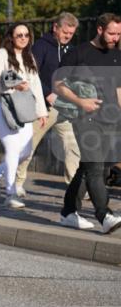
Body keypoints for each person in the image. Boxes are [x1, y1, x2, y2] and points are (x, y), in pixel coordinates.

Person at [55, 13, 121, 233]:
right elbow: (58, 85)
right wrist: (80, 101)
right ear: (100, 30)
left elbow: (119, 91)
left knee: (93, 168)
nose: (115, 37)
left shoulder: (117, 56)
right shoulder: (79, 53)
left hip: (110, 119)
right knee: (94, 168)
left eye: (119, 34)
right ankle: (105, 215)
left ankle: (67, 212)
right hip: (85, 118)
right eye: (112, 33)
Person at [14, 12, 82, 197]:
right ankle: (17, 182)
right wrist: (47, 94)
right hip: (42, 107)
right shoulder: (41, 47)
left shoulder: (70, 49)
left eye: (71, 33)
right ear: (55, 27)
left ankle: (74, 188)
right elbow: (30, 75)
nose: (68, 36)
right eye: (65, 32)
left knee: (72, 145)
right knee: (29, 145)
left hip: (63, 106)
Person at [0, 23, 48, 209]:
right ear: (11, 37)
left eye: (27, 35)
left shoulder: (29, 57)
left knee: (25, 151)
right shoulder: (2, 54)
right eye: (19, 35)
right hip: (1, 106)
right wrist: (13, 86)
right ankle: (10, 193)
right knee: (12, 147)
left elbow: (36, 86)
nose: (24, 38)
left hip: (23, 107)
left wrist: (41, 111)